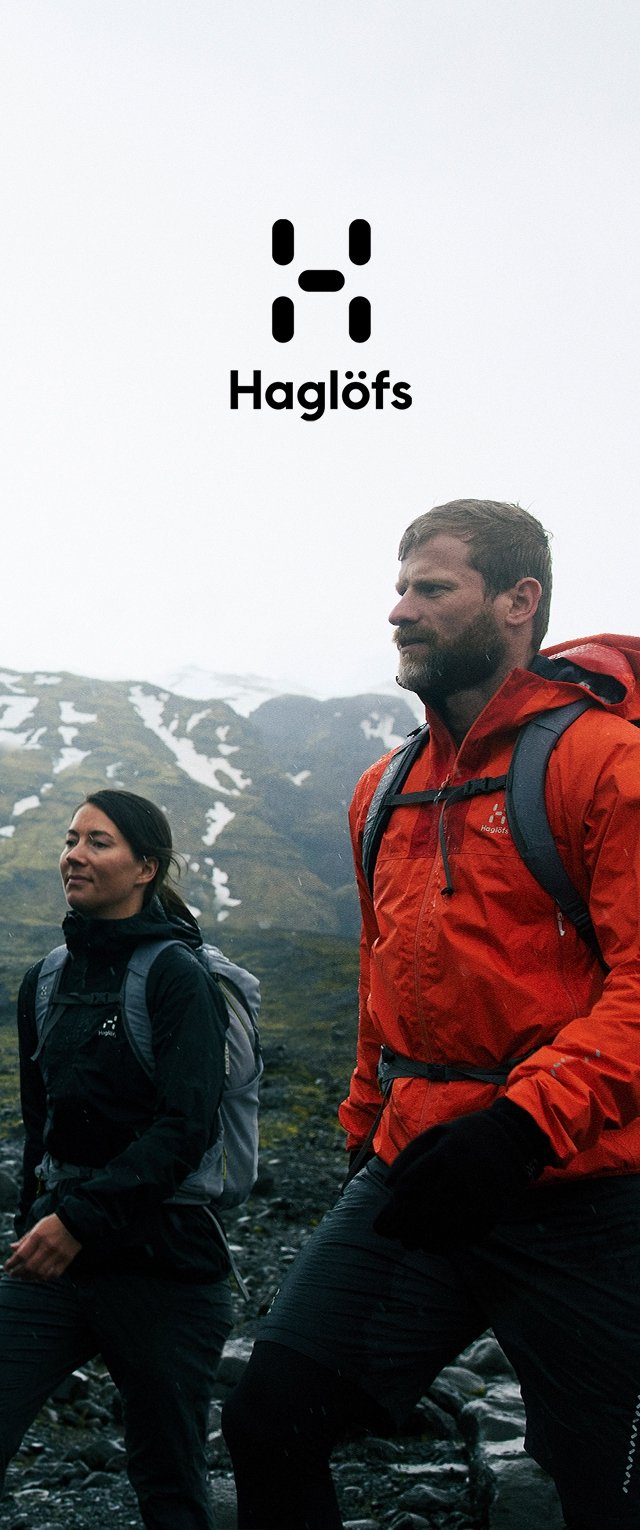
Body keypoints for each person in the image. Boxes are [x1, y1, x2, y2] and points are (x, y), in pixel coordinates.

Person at [222, 499, 640, 1530]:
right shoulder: (385, 789)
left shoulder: (605, 764)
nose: (399, 610)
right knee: (271, 1417)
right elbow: (385, 988)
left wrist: (521, 1127)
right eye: (400, 587)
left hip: (590, 1195)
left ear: (517, 602)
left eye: (432, 588)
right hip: (418, 1170)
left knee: (603, 1493)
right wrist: (364, 1131)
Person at [1, 789, 233, 1530]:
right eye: (70, 840)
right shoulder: (45, 979)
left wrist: (77, 1220)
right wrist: (38, 1221)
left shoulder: (177, 976)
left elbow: (185, 1127)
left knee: (168, 1482)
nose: (74, 855)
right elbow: (42, 1128)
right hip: (58, 1256)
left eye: (98, 842)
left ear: (145, 868)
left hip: (162, 1261)